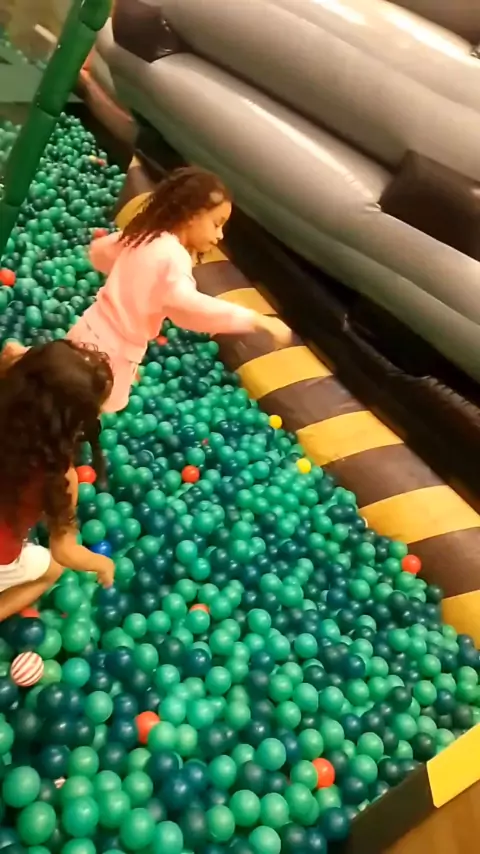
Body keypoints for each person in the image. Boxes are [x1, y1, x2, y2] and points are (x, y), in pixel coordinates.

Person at [67, 165, 293, 412]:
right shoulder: (173, 256)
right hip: (109, 356)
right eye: (216, 224)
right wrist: (255, 320)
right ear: (192, 215)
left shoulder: (146, 234)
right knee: (85, 412)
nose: (220, 235)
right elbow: (189, 306)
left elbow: (103, 252)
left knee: (60, 389)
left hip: (86, 330)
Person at [0, 339, 115, 621]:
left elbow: (13, 352)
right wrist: (102, 564)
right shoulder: (58, 477)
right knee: (52, 569)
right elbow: (65, 552)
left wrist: (25, 362)